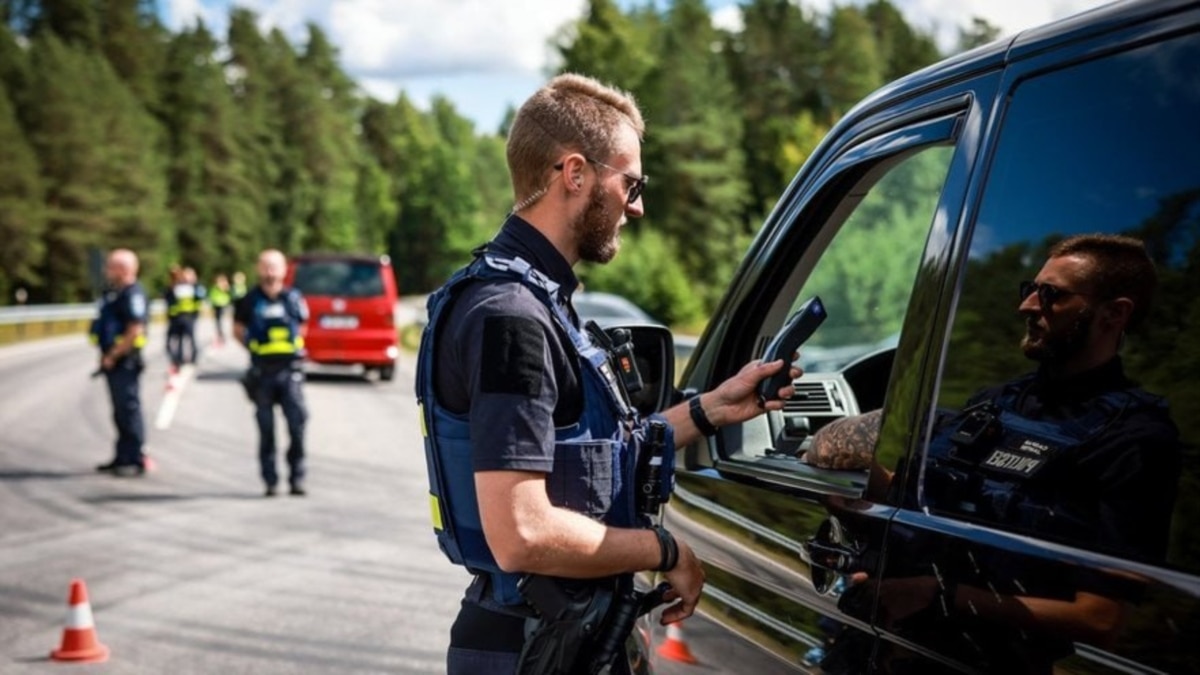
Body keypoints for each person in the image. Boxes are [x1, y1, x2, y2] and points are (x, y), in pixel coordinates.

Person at [415, 73, 800, 674]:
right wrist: (663, 548)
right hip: (533, 649)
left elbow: (595, 451)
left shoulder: (539, 302)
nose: (638, 204)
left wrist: (713, 408)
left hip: (563, 639)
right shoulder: (511, 318)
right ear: (575, 174)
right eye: (631, 182)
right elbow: (521, 533)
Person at [805, 233, 1181, 672]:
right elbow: (916, 505)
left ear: (1114, 314)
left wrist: (936, 595)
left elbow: (1100, 619)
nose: (1027, 306)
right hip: (876, 648)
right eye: (1030, 289)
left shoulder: (1134, 440)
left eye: (1051, 295)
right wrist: (848, 483)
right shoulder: (994, 404)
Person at [234, 249, 309, 497]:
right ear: (258, 269)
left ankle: (297, 478)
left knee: (297, 426)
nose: (269, 272)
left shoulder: (294, 298)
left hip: (290, 372)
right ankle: (270, 481)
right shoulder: (249, 300)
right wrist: (252, 349)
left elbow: (304, 326)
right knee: (266, 430)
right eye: (265, 267)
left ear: (284, 270)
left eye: (274, 267)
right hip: (262, 373)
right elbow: (237, 329)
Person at [90, 249, 149, 477]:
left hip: (125, 362)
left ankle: (135, 458)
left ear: (124, 269)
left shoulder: (132, 294)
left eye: (111, 267)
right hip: (115, 361)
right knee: (119, 413)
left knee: (129, 410)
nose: (107, 271)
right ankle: (122, 456)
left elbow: (134, 330)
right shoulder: (116, 293)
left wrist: (113, 355)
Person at [163, 265, 203, 372]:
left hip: (188, 316)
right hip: (176, 317)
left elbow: (199, 298)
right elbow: (167, 297)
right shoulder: (174, 287)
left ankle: (193, 358)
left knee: (190, 338)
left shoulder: (193, 287)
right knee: (178, 339)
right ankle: (179, 359)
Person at [209, 274, 232, 347]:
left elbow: (229, 296)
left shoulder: (226, 288)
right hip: (217, 306)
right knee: (218, 322)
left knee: (222, 322)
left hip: (223, 305)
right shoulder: (215, 288)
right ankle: (220, 335)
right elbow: (212, 296)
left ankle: (222, 335)